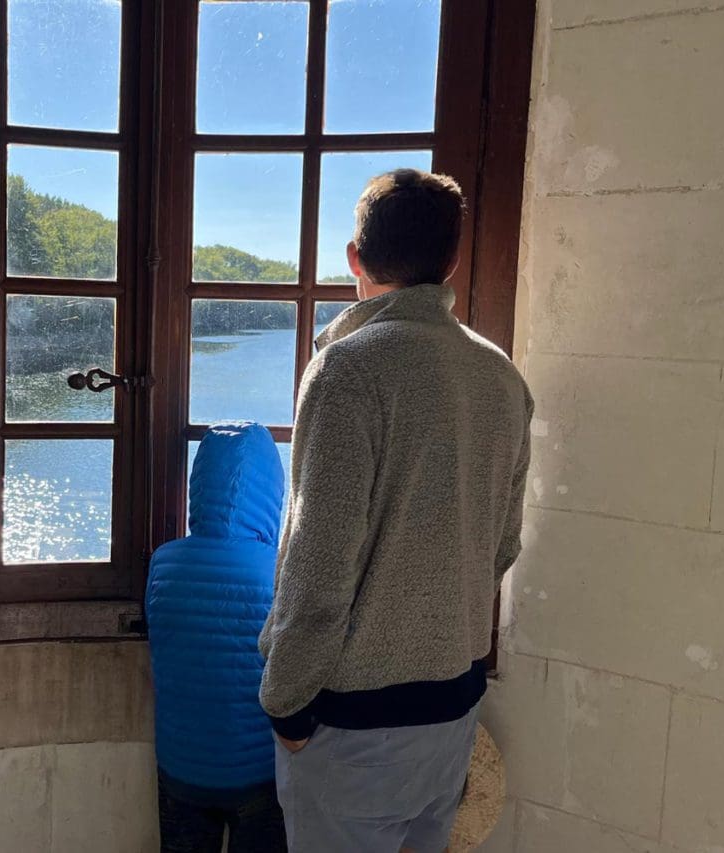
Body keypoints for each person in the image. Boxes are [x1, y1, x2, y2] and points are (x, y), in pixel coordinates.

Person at [259, 169, 533, 853]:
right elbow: (503, 543)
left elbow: (318, 563)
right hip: (452, 712)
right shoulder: (500, 375)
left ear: (356, 257)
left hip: (354, 726)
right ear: (453, 262)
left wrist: (286, 700)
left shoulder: (349, 369)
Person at [147, 422, 288, 853]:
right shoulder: (277, 571)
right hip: (258, 772)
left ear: (199, 482)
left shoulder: (164, 562)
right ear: (271, 491)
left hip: (180, 767)